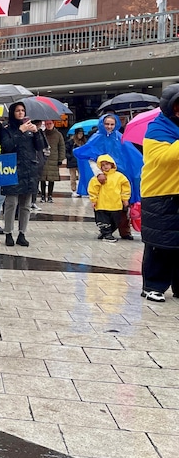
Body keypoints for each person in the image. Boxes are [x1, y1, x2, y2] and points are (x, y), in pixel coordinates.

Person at [74, 112, 143, 239]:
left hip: (121, 176)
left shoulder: (120, 137)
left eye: (112, 124)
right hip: (104, 178)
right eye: (107, 124)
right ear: (102, 124)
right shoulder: (96, 138)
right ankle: (106, 229)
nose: (109, 126)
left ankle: (124, 230)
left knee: (123, 204)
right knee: (103, 205)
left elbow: (130, 155)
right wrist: (99, 173)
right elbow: (91, 157)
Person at [140, 85, 179, 303]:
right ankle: (153, 285)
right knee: (160, 243)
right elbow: (165, 157)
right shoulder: (156, 130)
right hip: (160, 193)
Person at [0, 102, 46, 247]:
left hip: (29, 170)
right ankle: (8, 232)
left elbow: (40, 146)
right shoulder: (7, 129)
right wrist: (20, 131)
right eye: (17, 111)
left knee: (25, 204)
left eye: (22, 110)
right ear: (12, 112)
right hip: (13, 169)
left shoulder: (31, 129)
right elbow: (7, 146)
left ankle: (22, 233)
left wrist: (37, 132)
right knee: (11, 203)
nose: (20, 113)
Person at [88, 154, 130, 243]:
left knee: (116, 221)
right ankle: (106, 233)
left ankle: (107, 232)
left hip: (115, 205)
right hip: (101, 204)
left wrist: (125, 199)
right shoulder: (98, 178)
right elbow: (93, 189)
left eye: (107, 164)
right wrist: (93, 200)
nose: (105, 166)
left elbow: (125, 188)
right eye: (102, 165)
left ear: (112, 164)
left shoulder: (120, 177)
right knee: (102, 220)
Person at [40, 120, 65, 202]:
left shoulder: (58, 135)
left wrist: (60, 159)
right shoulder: (42, 134)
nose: (48, 125)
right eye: (47, 124)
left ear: (53, 124)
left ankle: (50, 195)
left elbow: (61, 147)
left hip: (54, 159)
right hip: (43, 158)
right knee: (42, 178)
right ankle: (43, 196)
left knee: (51, 179)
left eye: (50, 123)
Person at [66, 126, 87, 198]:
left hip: (81, 161)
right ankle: (74, 190)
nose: (80, 135)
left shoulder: (84, 142)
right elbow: (66, 150)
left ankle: (81, 190)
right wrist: (70, 157)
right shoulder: (71, 141)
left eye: (82, 134)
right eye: (79, 133)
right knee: (73, 177)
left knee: (82, 176)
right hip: (72, 161)